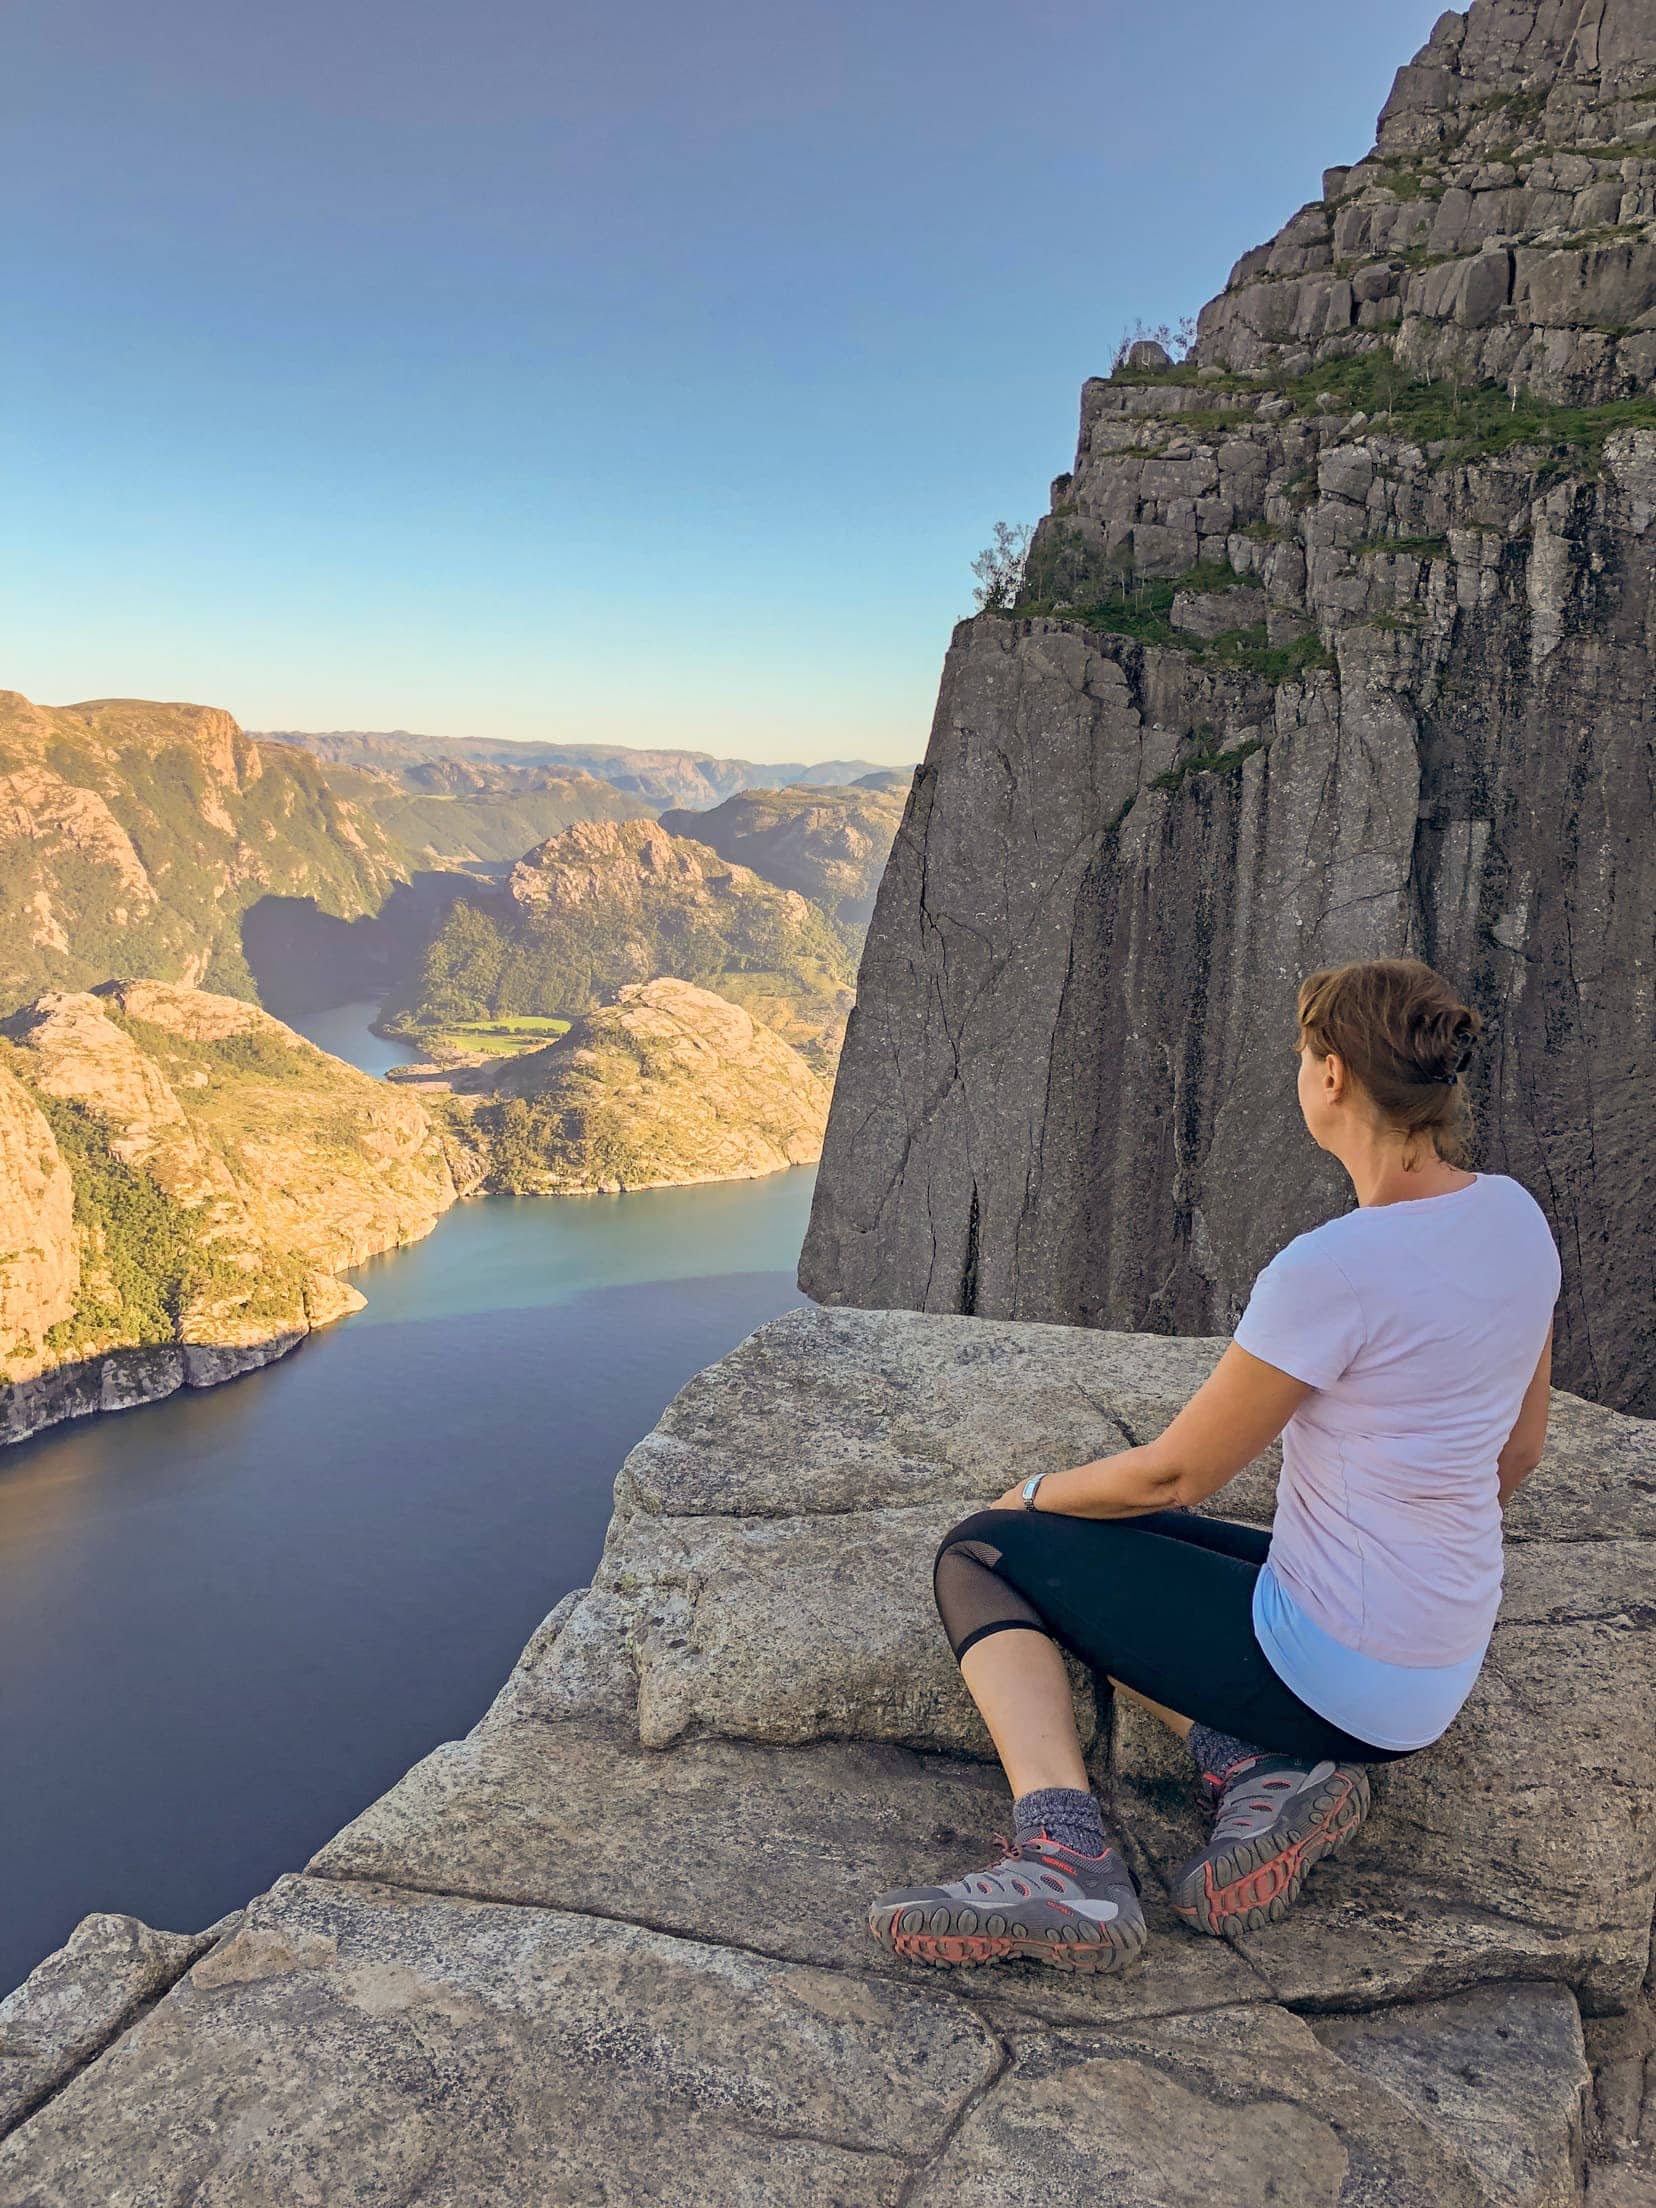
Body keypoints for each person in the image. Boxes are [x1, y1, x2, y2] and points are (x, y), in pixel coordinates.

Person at [868, 956, 1562, 1972]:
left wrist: (1024, 1496)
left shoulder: (1334, 1270)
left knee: (985, 1555)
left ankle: (1068, 1864)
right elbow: (1520, 1449)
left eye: (1301, 1055)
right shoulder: (1513, 1216)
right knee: (1104, 1544)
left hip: (1338, 1672)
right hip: (1439, 1657)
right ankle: (1264, 1773)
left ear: (1331, 1078)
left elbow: (1173, 1477)